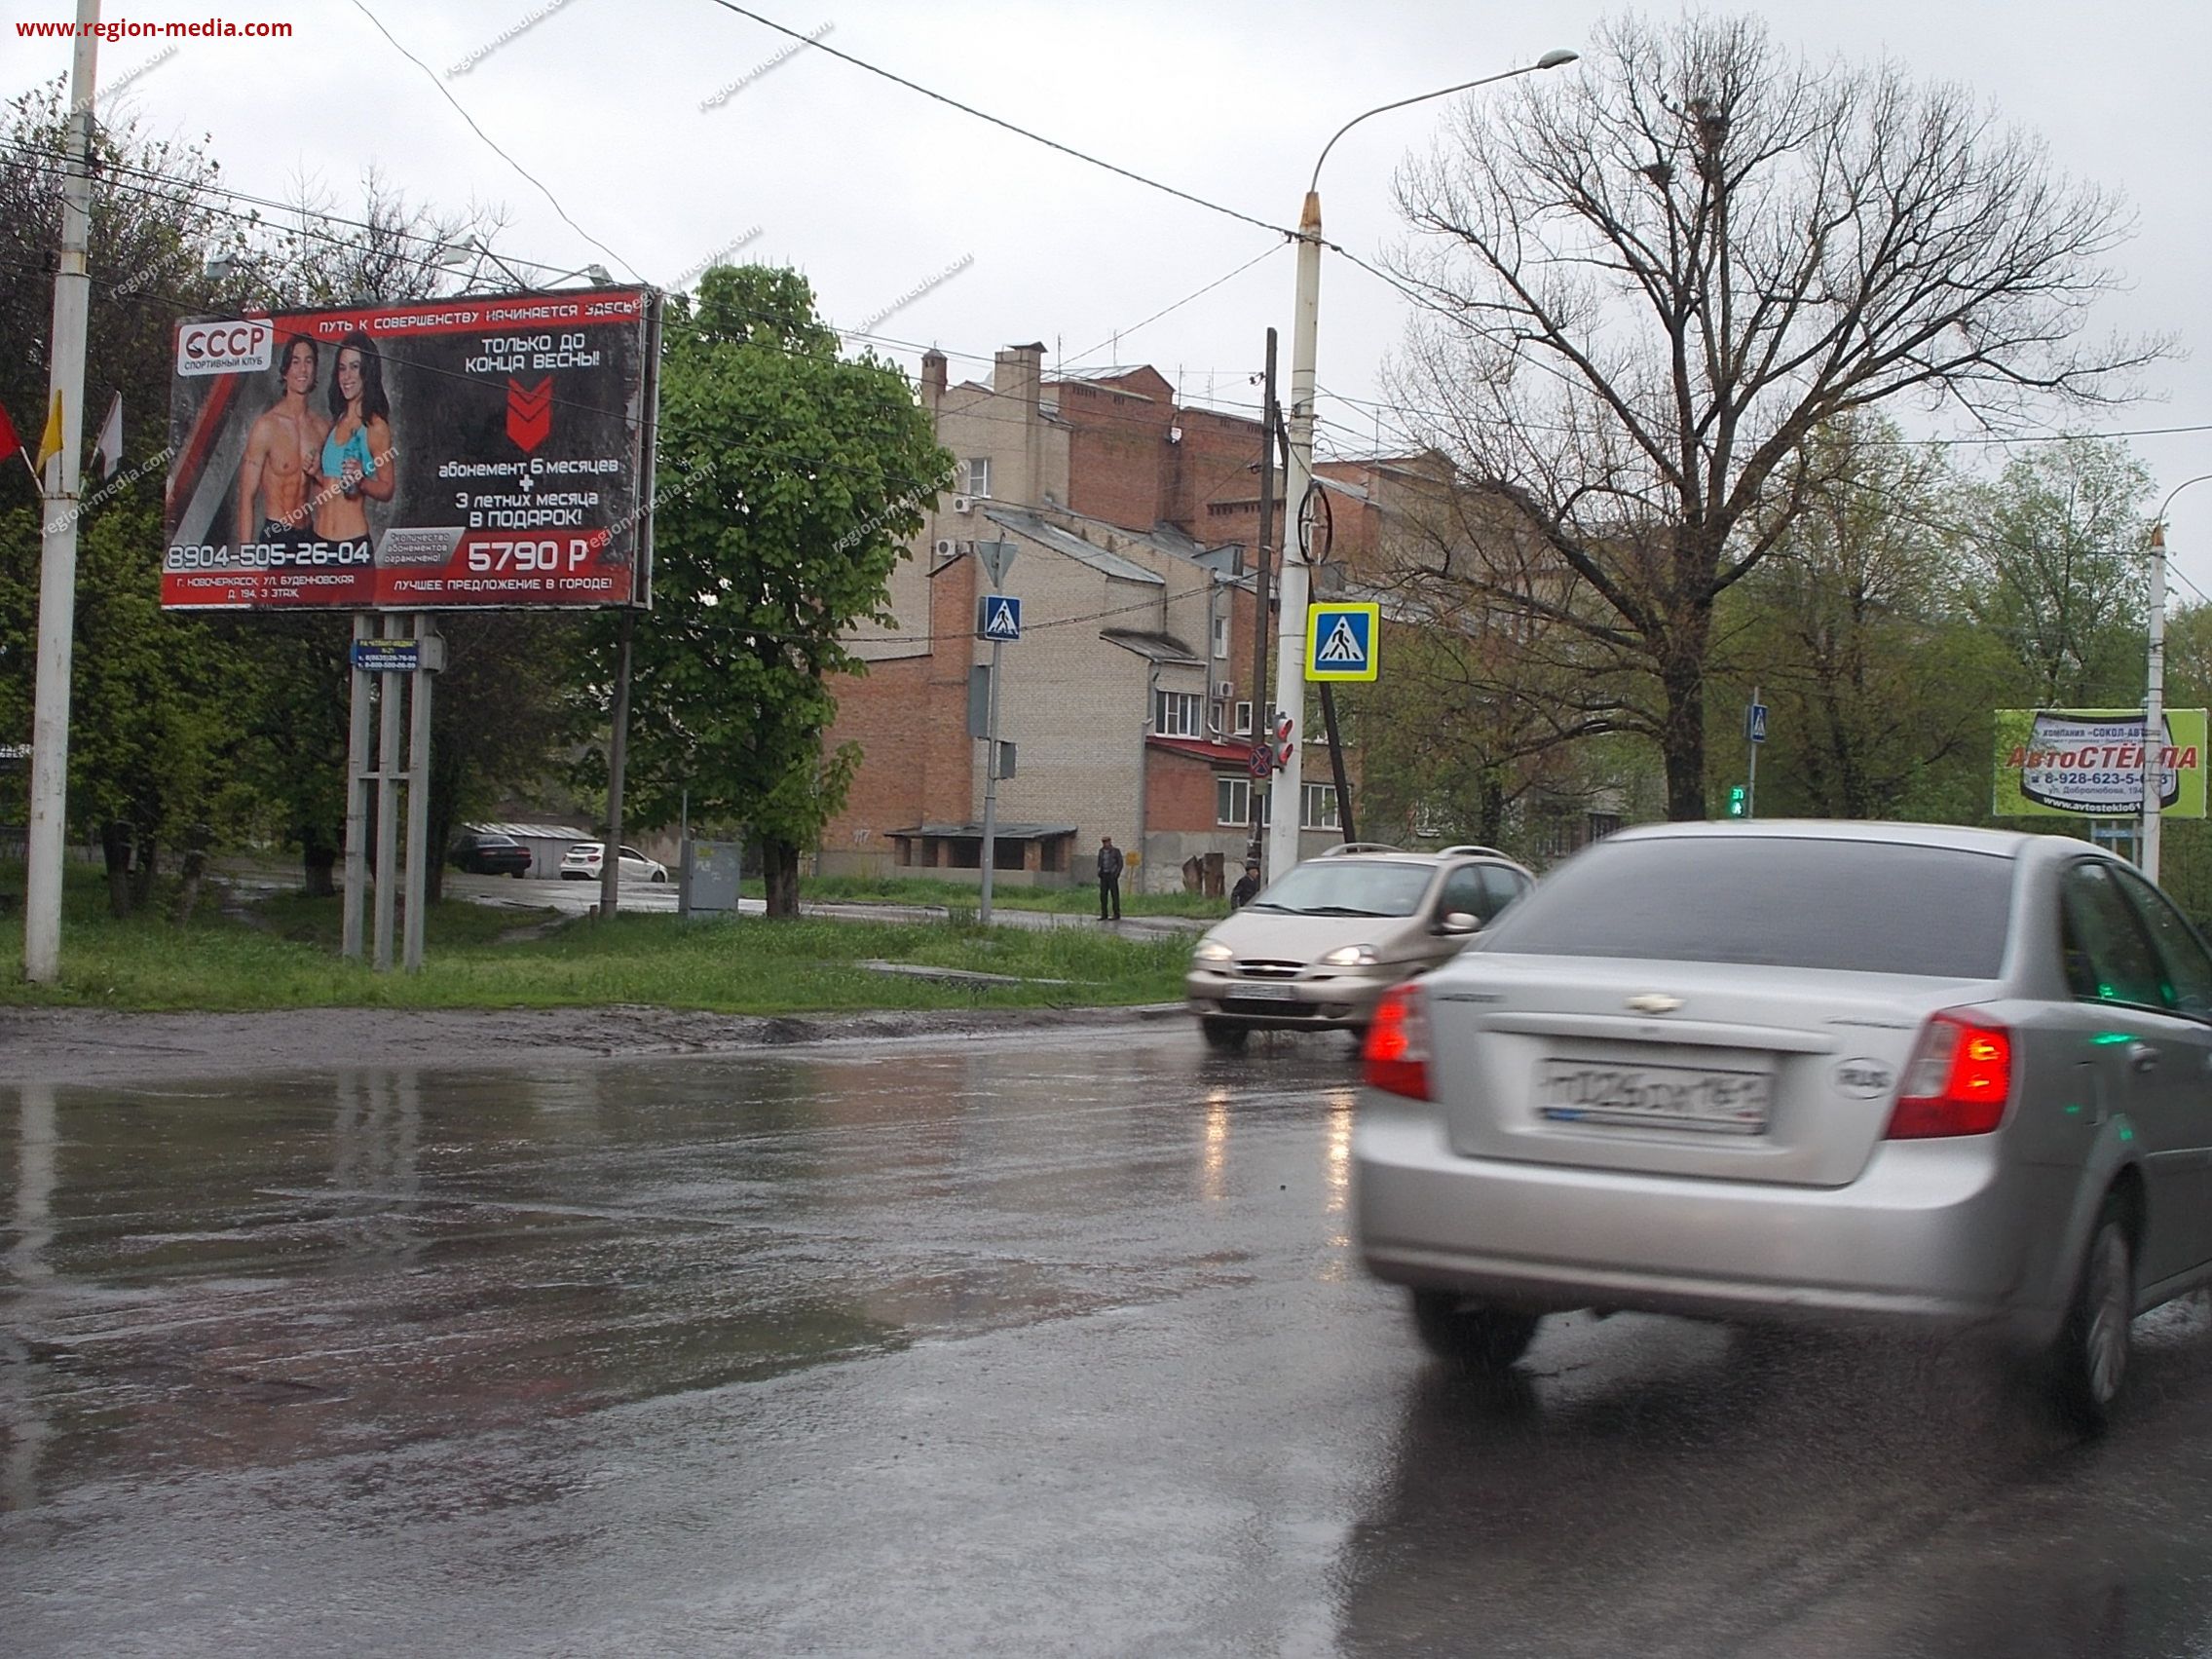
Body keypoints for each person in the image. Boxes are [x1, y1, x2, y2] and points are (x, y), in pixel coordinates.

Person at [233, 335, 329, 556]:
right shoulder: (267, 426)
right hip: (277, 534)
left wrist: (320, 474)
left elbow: (329, 495)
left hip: (310, 535)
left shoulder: (322, 428)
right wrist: (246, 555)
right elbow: (247, 495)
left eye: (309, 361)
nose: (302, 369)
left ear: (315, 369)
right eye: (295, 362)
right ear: (285, 371)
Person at [314, 331, 396, 553]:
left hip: (352, 547)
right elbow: (334, 485)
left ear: (367, 371)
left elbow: (387, 489)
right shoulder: (337, 420)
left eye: (354, 367)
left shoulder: (375, 427)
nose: (346, 376)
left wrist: (362, 481)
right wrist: (316, 474)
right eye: (342, 368)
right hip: (318, 544)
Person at [1096, 834, 1124, 922]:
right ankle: (1104, 914)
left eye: (1107, 842)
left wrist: (1116, 874)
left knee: (1114, 895)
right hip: (1104, 876)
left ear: (1110, 842)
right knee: (1103, 896)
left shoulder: (1116, 851)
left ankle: (1116, 914)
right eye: (1104, 842)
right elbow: (1099, 862)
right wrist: (1099, 871)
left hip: (1112, 876)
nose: (1105, 844)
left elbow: (1120, 863)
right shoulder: (1101, 851)